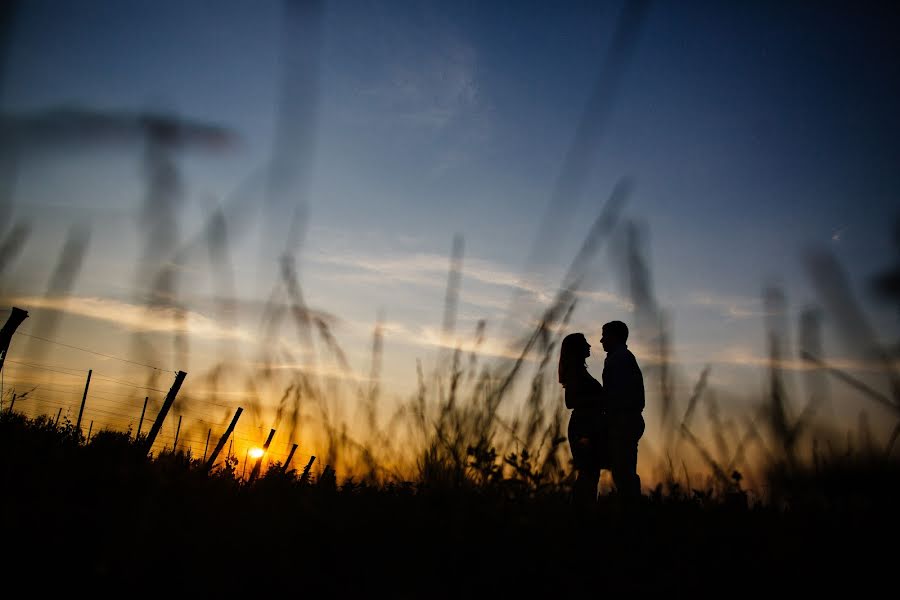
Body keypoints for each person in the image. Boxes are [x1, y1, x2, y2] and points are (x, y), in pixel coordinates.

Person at [558, 332, 608, 507]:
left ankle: (584, 513)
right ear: (577, 349)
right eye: (585, 343)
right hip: (583, 428)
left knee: (591, 473)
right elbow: (570, 402)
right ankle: (580, 514)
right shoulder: (575, 372)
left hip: (589, 426)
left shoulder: (580, 371)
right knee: (588, 472)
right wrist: (601, 399)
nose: (589, 346)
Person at [599, 320, 645, 500]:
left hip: (623, 421)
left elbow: (618, 395)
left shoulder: (620, 358)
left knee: (623, 472)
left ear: (615, 337)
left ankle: (631, 512)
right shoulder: (618, 357)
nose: (601, 341)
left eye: (605, 336)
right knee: (622, 470)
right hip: (624, 420)